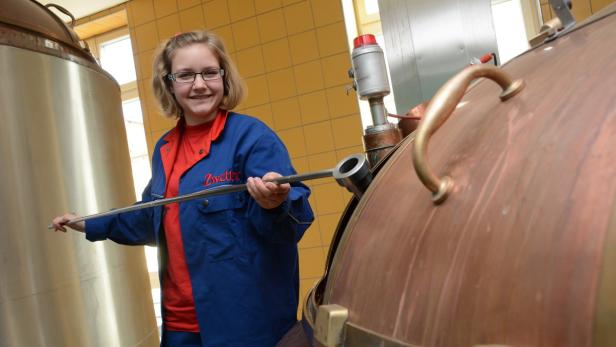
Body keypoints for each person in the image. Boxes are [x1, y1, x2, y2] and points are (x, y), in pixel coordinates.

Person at [52, 30, 314, 347]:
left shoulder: (252, 138)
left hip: (246, 326)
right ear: (169, 84)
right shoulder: (166, 148)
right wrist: (92, 223)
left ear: (224, 77)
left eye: (209, 73)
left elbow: (290, 225)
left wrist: (275, 205)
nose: (200, 84)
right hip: (180, 328)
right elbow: (149, 216)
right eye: (186, 75)